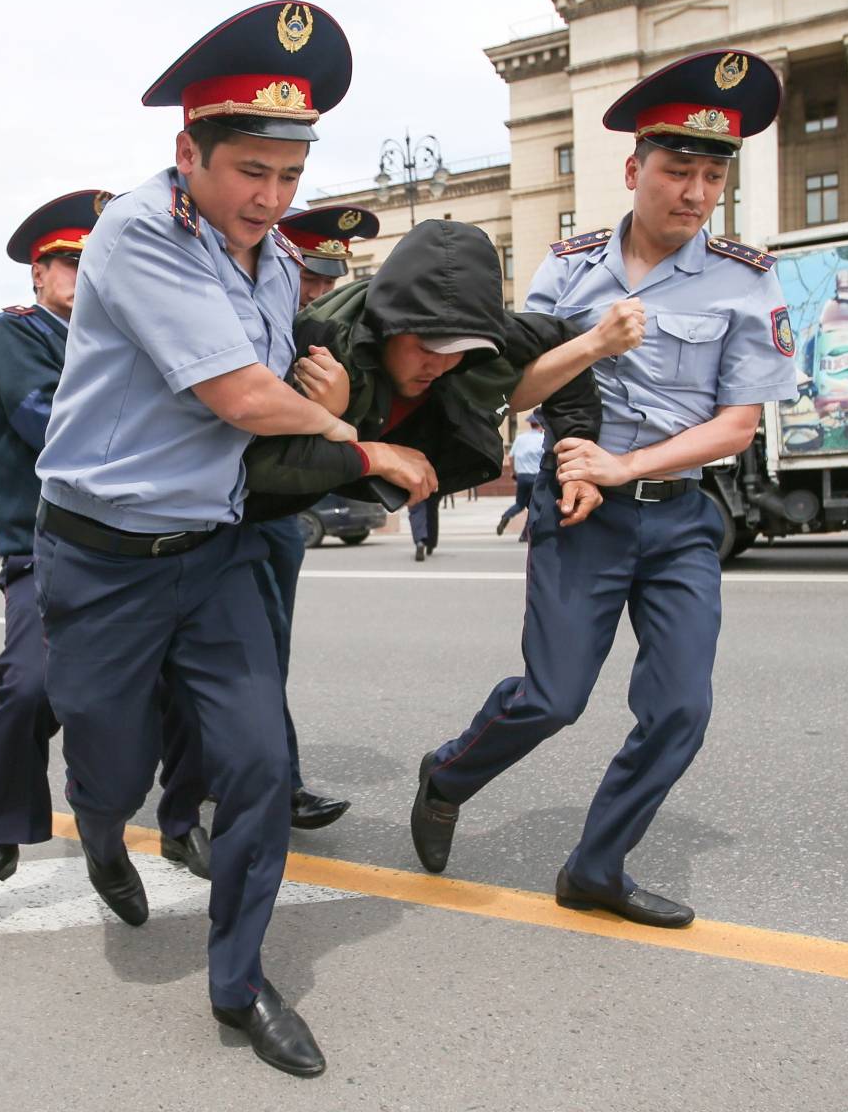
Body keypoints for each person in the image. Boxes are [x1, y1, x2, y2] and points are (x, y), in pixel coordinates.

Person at [32, 0, 358, 1079]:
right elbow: (238, 396)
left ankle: (239, 985)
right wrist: (356, 441)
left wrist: (327, 387)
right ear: (189, 154)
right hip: (104, 556)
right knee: (113, 766)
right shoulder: (138, 230)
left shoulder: (268, 256)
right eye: (248, 171)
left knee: (258, 761)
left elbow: (281, 376)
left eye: (287, 174)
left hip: (211, 548)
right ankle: (98, 827)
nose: (270, 199)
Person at [409, 49, 797, 929]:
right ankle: (449, 773)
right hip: (580, 510)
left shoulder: (746, 277)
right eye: (675, 170)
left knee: (680, 710)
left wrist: (625, 465)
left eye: (710, 175)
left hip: (678, 516)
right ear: (634, 170)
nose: (694, 193)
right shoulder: (571, 268)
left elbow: (739, 425)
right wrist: (591, 347)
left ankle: (597, 865)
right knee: (552, 698)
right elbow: (512, 389)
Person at [0, 191, 213, 911]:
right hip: (46, 548)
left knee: (185, 685)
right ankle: (3, 838)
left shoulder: (128, 332)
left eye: (98, 260)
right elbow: (48, 424)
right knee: (30, 687)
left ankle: (181, 821)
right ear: (39, 273)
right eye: (71, 261)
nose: (87, 272)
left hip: (146, 546)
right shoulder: (18, 334)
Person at [239, 217, 628, 546]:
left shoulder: (484, 330)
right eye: (426, 346)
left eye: (457, 349)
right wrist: (349, 433)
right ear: (387, 327)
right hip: (242, 513)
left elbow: (565, 343)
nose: (438, 364)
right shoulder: (321, 346)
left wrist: (577, 456)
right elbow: (256, 462)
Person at [252, 204, 380, 827]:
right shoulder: (248, 318)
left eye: (331, 281)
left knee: (266, 655)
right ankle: (273, 783)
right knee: (240, 658)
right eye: (311, 276)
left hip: (278, 519)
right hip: (223, 512)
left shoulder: (323, 338)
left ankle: (273, 780)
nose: (320, 293)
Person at [496, 413, 545, 539]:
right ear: (540, 425)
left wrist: (514, 472)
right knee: (535, 506)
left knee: (519, 504)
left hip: (522, 476)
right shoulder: (542, 439)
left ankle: (506, 516)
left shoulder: (520, 438)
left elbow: (511, 457)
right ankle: (525, 534)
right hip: (536, 477)